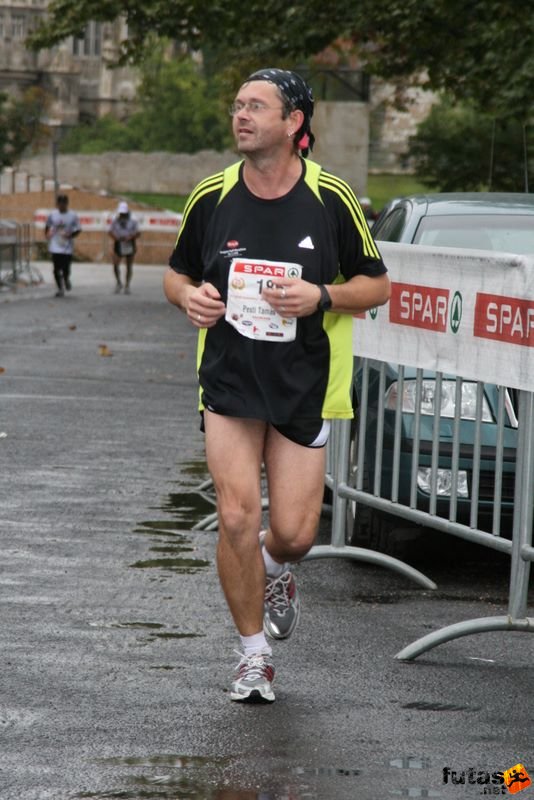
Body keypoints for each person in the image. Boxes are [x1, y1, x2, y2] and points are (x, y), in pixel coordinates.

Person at [163, 67, 391, 704]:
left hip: (301, 384)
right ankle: (253, 656)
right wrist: (191, 298)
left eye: (256, 107)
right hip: (230, 383)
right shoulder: (211, 195)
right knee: (236, 514)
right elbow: (175, 274)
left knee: (292, 533)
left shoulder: (331, 198)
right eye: (237, 105)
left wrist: (321, 294)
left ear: (294, 124)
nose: (241, 115)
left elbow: (377, 286)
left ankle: (275, 568)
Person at [45, 194, 81, 298]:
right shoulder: (53, 214)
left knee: (66, 268)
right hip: (55, 245)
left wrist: (71, 235)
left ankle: (66, 279)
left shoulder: (72, 215)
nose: (61, 206)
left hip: (67, 247)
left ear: (66, 204)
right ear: (57, 204)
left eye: (63, 204)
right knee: (56, 269)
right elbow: (47, 226)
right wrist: (47, 234)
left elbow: (78, 229)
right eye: (59, 204)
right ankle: (60, 289)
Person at [108, 201, 140, 294]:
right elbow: (110, 231)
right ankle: (118, 282)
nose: (122, 214)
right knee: (115, 263)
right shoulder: (115, 219)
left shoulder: (133, 220)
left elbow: (138, 232)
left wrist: (130, 237)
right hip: (119, 243)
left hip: (129, 243)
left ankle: (127, 285)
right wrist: (117, 238)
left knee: (129, 265)